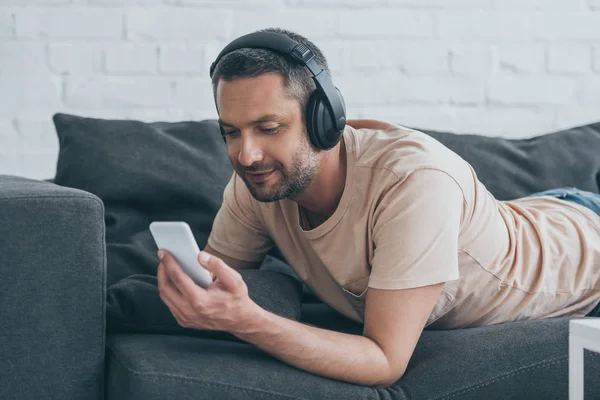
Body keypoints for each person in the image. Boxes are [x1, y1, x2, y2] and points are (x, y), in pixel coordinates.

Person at [155, 27, 600, 388]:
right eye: (231, 132)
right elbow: (218, 285)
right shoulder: (256, 182)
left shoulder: (413, 182)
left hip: (585, 248)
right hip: (535, 213)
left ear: (322, 119)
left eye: (268, 127)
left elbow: (384, 360)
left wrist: (249, 321)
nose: (246, 154)